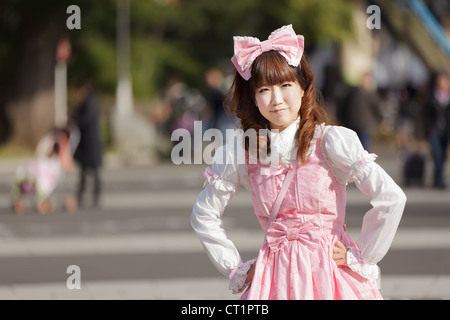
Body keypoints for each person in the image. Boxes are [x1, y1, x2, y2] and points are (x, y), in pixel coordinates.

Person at [191, 25, 406, 300]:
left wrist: (363, 254)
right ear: (254, 99)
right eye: (264, 90)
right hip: (273, 282)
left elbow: (391, 197)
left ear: (304, 89)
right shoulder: (242, 153)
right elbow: (203, 214)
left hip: (330, 276)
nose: (276, 99)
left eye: (285, 85)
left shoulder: (330, 142)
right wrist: (235, 268)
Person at [71, 80, 103, 207]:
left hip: (91, 143)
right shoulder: (88, 102)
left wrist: (75, 117)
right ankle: (81, 197)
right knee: (85, 173)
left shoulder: (90, 103)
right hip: (87, 144)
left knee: (93, 173)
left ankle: (94, 197)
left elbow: (86, 120)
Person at [424, 71, 450, 189]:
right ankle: (439, 179)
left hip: (446, 130)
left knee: (443, 155)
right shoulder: (431, 95)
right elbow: (425, 115)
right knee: (437, 154)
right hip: (434, 130)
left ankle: (437, 176)